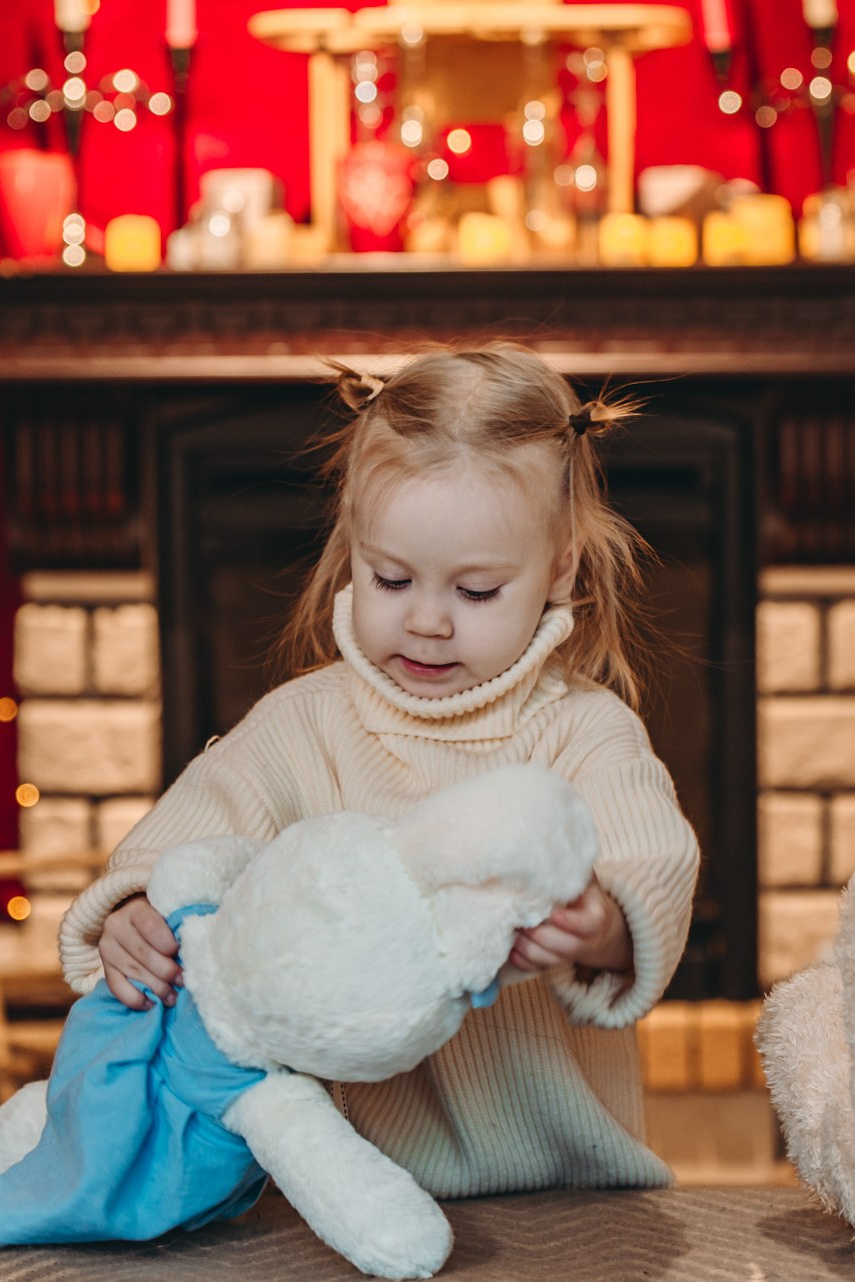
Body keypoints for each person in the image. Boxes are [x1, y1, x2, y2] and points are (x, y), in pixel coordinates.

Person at [59, 342, 699, 1196]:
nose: (427, 621)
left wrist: (604, 921)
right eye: (390, 578)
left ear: (558, 572)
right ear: (352, 548)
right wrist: (135, 908)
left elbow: (652, 856)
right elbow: (193, 832)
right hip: (342, 1187)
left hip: (564, 1184)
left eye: (475, 593)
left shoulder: (580, 731)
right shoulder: (305, 723)